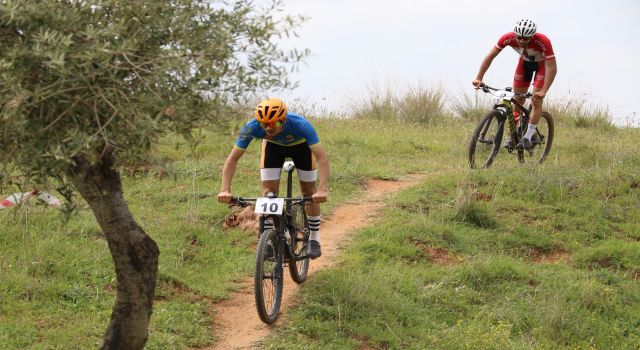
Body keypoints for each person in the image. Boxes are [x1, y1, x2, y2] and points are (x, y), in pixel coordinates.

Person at [217, 98, 330, 258]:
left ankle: (314, 239)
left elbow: (321, 158)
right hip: (273, 149)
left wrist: (322, 190)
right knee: (269, 192)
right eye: (264, 124)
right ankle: (269, 238)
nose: (269, 128)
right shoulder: (251, 127)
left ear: (284, 120)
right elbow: (232, 159)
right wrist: (225, 189)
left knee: (309, 193)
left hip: (302, 149)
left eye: (275, 124)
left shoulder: (301, 125)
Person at [472, 19, 557, 150]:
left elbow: (552, 67)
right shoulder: (508, 38)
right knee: (518, 100)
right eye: (519, 37)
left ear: (532, 35)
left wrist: (543, 91)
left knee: (536, 100)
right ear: (515, 34)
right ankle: (514, 134)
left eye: (526, 38)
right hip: (524, 65)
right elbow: (490, 57)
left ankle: (528, 137)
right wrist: (479, 78)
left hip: (542, 66)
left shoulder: (543, 41)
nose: (522, 40)